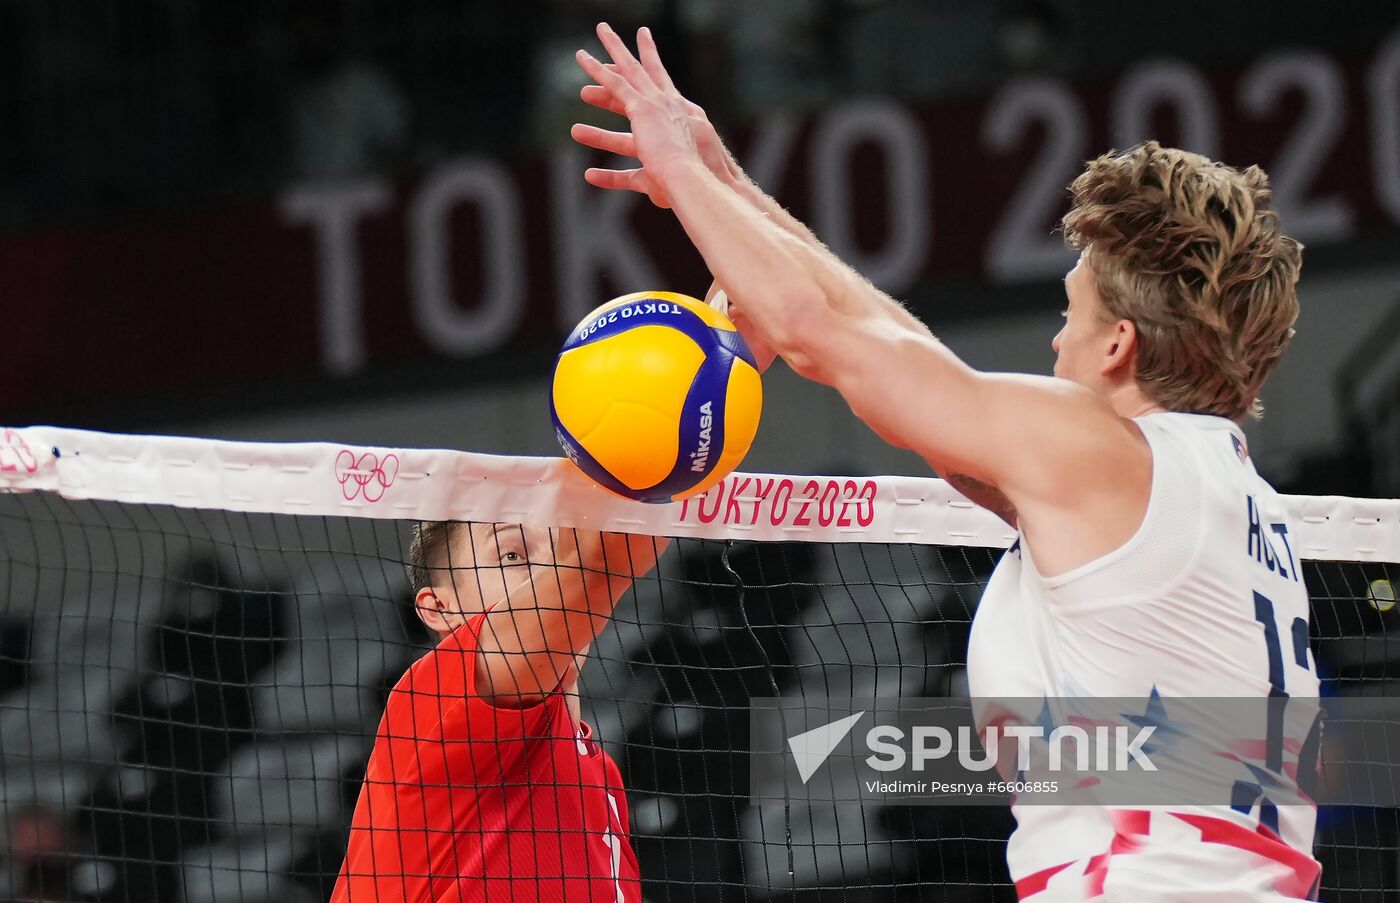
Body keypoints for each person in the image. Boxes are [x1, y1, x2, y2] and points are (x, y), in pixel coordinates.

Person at [572, 24, 1318, 901]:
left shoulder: (1106, 457)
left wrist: (686, 175)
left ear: (1117, 343)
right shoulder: (1215, 491)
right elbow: (894, 352)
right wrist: (726, 182)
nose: (1053, 337)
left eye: (1070, 312)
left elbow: (830, 340)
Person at [332, 521, 663, 902]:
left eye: (556, 555)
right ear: (440, 609)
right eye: (512, 555)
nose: (548, 574)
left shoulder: (598, 768)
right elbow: (598, 564)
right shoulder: (439, 694)